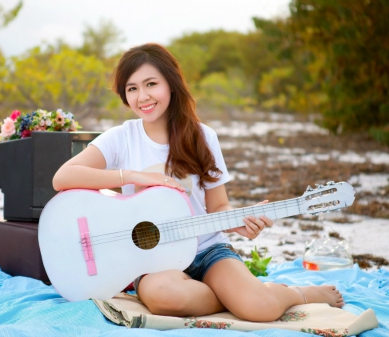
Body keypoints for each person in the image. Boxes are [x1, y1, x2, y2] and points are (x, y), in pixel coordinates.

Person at [53, 43, 344, 322]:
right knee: (164, 297)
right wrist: (132, 176)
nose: (142, 96)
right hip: (153, 260)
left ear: (171, 84)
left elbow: (218, 205)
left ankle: (292, 294)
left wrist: (236, 222)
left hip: (206, 248)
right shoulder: (121, 138)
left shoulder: (203, 136)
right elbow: (62, 177)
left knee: (261, 308)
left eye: (151, 84)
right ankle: (235, 296)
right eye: (132, 88)